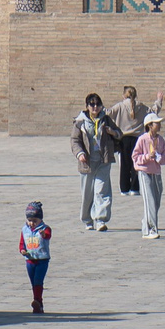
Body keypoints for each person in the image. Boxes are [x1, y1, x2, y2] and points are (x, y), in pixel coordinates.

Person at [71, 93, 115, 231]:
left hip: (103, 160)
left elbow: (119, 133)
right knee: (87, 193)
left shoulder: (106, 119)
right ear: (87, 106)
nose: (95, 107)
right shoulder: (80, 122)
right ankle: (87, 219)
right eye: (92, 104)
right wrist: (80, 153)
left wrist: (112, 132)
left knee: (102, 191)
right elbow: (75, 140)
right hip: (87, 163)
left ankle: (100, 220)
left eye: (98, 104)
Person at [132, 113, 165, 237]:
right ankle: (151, 230)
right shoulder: (142, 139)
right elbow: (135, 157)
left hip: (156, 174)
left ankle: (146, 224)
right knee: (150, 201)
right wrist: (147, 157)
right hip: (144, 173)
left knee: (156, 202)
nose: (159, 125)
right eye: (156, 123)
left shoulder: (161, 140)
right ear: (149, 125)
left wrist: (159, 158)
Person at [108, 86, 146, 203]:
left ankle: (124, 188)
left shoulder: (120, 106)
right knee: (136, 164)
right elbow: (152, 112)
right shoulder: (141, 106)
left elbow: (107, 113)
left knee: (124, 164)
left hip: (123, 138)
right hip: (137, 138)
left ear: (124, 95)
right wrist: (158, 102)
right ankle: (135, 188)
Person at [20, 202, 52, 315]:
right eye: (30, 220)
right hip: (29, 260)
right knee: (33, 282)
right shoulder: (25, 229)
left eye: (35, 220)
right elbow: (22, 243)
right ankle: (38, 304)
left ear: (40, 219)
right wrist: (22, 250)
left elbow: (47, 235)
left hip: (42, 260)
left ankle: (37, 301)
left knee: (38, 280)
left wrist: (43, 234)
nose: (32, 223)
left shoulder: (45, 228)